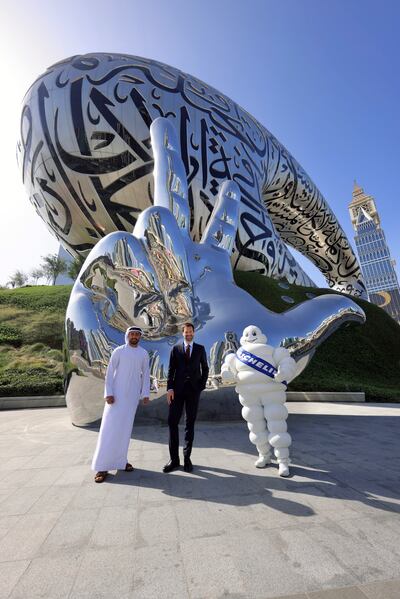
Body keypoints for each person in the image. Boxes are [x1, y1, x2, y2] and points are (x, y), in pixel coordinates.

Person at [221, 325, 297, 477]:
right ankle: (264, 455)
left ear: (260, 334)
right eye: (247, 334)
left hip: (272, 393)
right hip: (249, 396)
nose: (250, 336)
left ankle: (283, 460)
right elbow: (226, 369)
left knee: (277, 425)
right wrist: (227, 374)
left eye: (253, 333)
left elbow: (287, 362)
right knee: (255, 427)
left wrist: (284, 371)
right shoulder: (237, 356)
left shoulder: (272, 351)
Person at [92, 326, 150, 483]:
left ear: (140, 337)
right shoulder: (118, 351)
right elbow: (110, 373)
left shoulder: (143, 353)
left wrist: (145, 394)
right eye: (132, 334)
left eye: (137, 334)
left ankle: (121, 461)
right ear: (127, 335)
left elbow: (146, 375)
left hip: (132, 398)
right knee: (109, 429)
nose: (134, 336)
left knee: (125, 430)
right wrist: (108, 393)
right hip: (115, 397)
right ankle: (102, 467)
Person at [163, 323, 209, 473]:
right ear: (182, 333)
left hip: (193, 392)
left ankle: (187, 458)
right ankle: (174, 460)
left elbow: (205, 368)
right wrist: (169, 388)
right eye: (186, 332)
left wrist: (201, 386)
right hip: (177, 391)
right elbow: (171, 370)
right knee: (172, 422)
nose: (188, 334)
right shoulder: (175, 349)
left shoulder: (200, 349)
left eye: (190, 332)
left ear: (193, 333)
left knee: (190, 424)